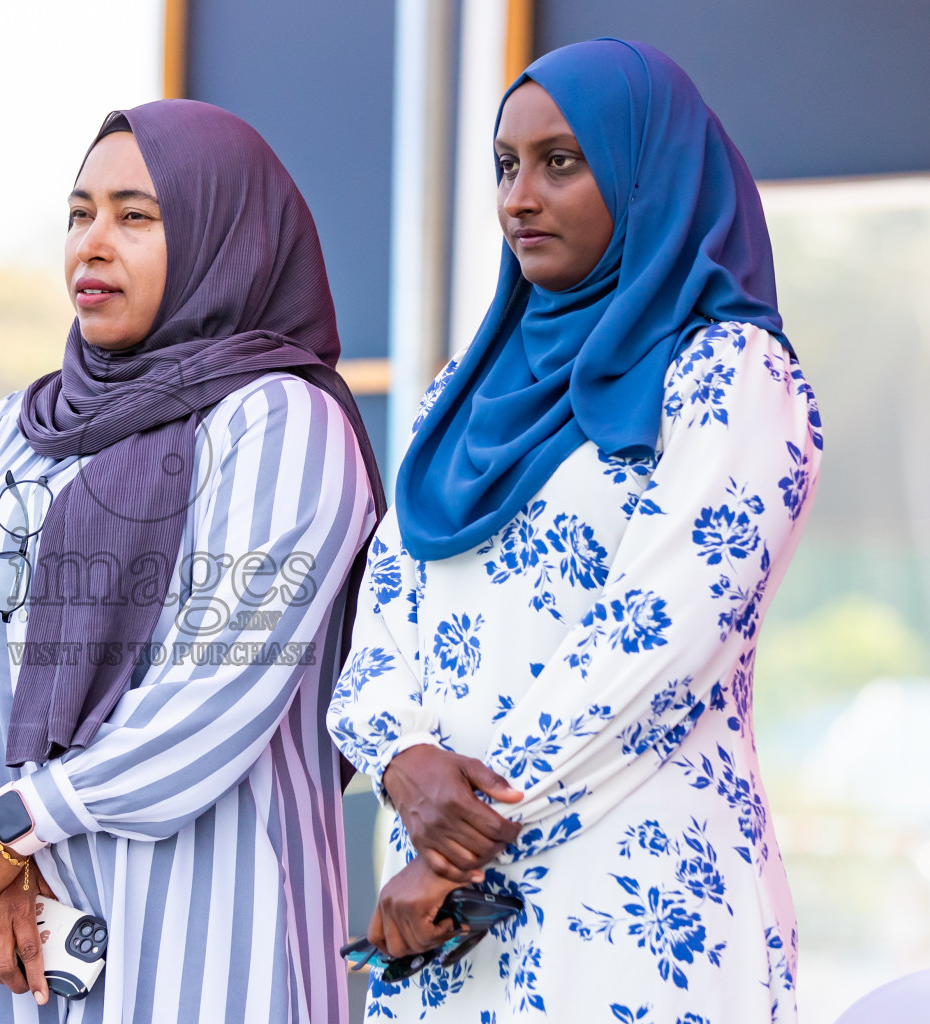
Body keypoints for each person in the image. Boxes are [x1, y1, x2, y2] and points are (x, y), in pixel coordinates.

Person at [327, 39, 820, 1022]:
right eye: (506, 165)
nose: (518, 197)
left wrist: (456, 839)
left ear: (650, 172)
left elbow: (661, 637)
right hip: (446, 925)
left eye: (562, 161)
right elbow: (381, 619)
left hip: (633, 896)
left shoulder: (730, 376)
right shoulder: (452, 399)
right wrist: (397, 757)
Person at [0, 99, 385, 1022]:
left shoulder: (280, 422)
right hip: (23, 943)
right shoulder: (17, 432)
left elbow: (218, 690)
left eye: (136, 215)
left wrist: (8, 826)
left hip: (219, 944)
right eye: (79, 214)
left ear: (222, 236)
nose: (93, 244)